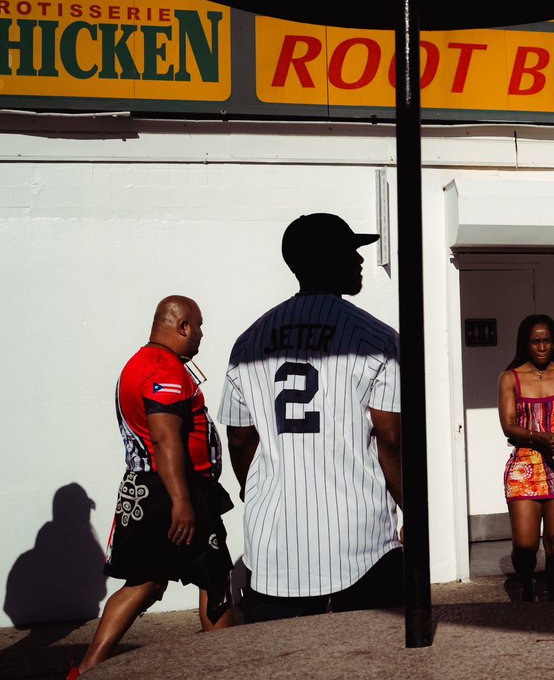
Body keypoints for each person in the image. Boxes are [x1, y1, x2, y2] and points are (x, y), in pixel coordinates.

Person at [216, 212, 404, 622]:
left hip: (274, 540)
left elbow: (240, 439)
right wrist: (413, 509)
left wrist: (259, 491)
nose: (359, 261)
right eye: (351, 251)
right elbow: (391, 439)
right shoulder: (377, 337)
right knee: (378, 659)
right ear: (328, 259)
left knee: (283, 663)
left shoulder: (249, 341)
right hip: (362, 536)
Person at [75, 296, 234, 676]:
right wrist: (182, 501)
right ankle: (228, 666)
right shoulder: (163, 368)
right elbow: (166, 440)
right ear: (182, 326)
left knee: (145, 581)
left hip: (149, 486)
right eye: (198, 325)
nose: (201, 334)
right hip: (174, 489)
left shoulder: (138, 363)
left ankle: (87, 669)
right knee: (214, 579)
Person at [498, 314, 554, 601]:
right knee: (525, 546)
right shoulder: (510, 378)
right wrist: (542, 438)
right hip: (525, 467)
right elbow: (508, 426)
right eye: (536, 341)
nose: (542, 347)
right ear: (526, 343)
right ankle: (527, 587)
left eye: (547, 340)